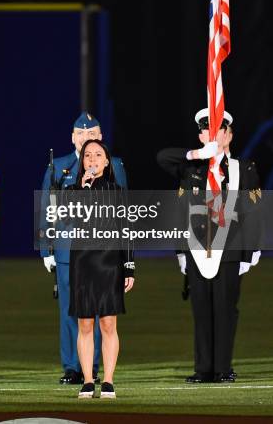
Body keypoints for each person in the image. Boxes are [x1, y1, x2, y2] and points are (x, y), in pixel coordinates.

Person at [157, 109, 261, 384]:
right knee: (201, 309)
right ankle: (203, 369)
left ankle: (222, 369)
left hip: (229, 248)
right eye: (207, 131)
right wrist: (196, 154)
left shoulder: (243, 168)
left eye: (218, 130)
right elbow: (163, 159)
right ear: (201, 135)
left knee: (225, 309)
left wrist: (250, 252)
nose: (212, 135)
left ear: (229, 135)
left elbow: (253, 212)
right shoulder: (192, 167)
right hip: (196, 247)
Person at [39, 112, 127, 385]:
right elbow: (47, 209)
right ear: (73, 138)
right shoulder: (59, 166)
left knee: (103, 312)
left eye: (92, 135)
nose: (86, 139)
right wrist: (46, 248)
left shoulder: (114, 165)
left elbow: (123, 212)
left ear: (100, 138)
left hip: (104, 253)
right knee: (71, 311)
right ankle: (71, 367)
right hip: (68, 250)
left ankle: (94, 366)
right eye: (81, 134)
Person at [65, 139, 134, 399]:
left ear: (107, 161)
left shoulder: (117, 191)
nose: (92, 160)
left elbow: (125, 230)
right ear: (82, 162)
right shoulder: (73, 190)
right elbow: (65, 218)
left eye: (98, 155)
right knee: (84, 323)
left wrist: (129, 267)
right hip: (82, 262)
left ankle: (108, 381)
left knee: (107, 323)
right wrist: (81, 191)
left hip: (109, 263)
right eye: (88, 156)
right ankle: (87, 380)